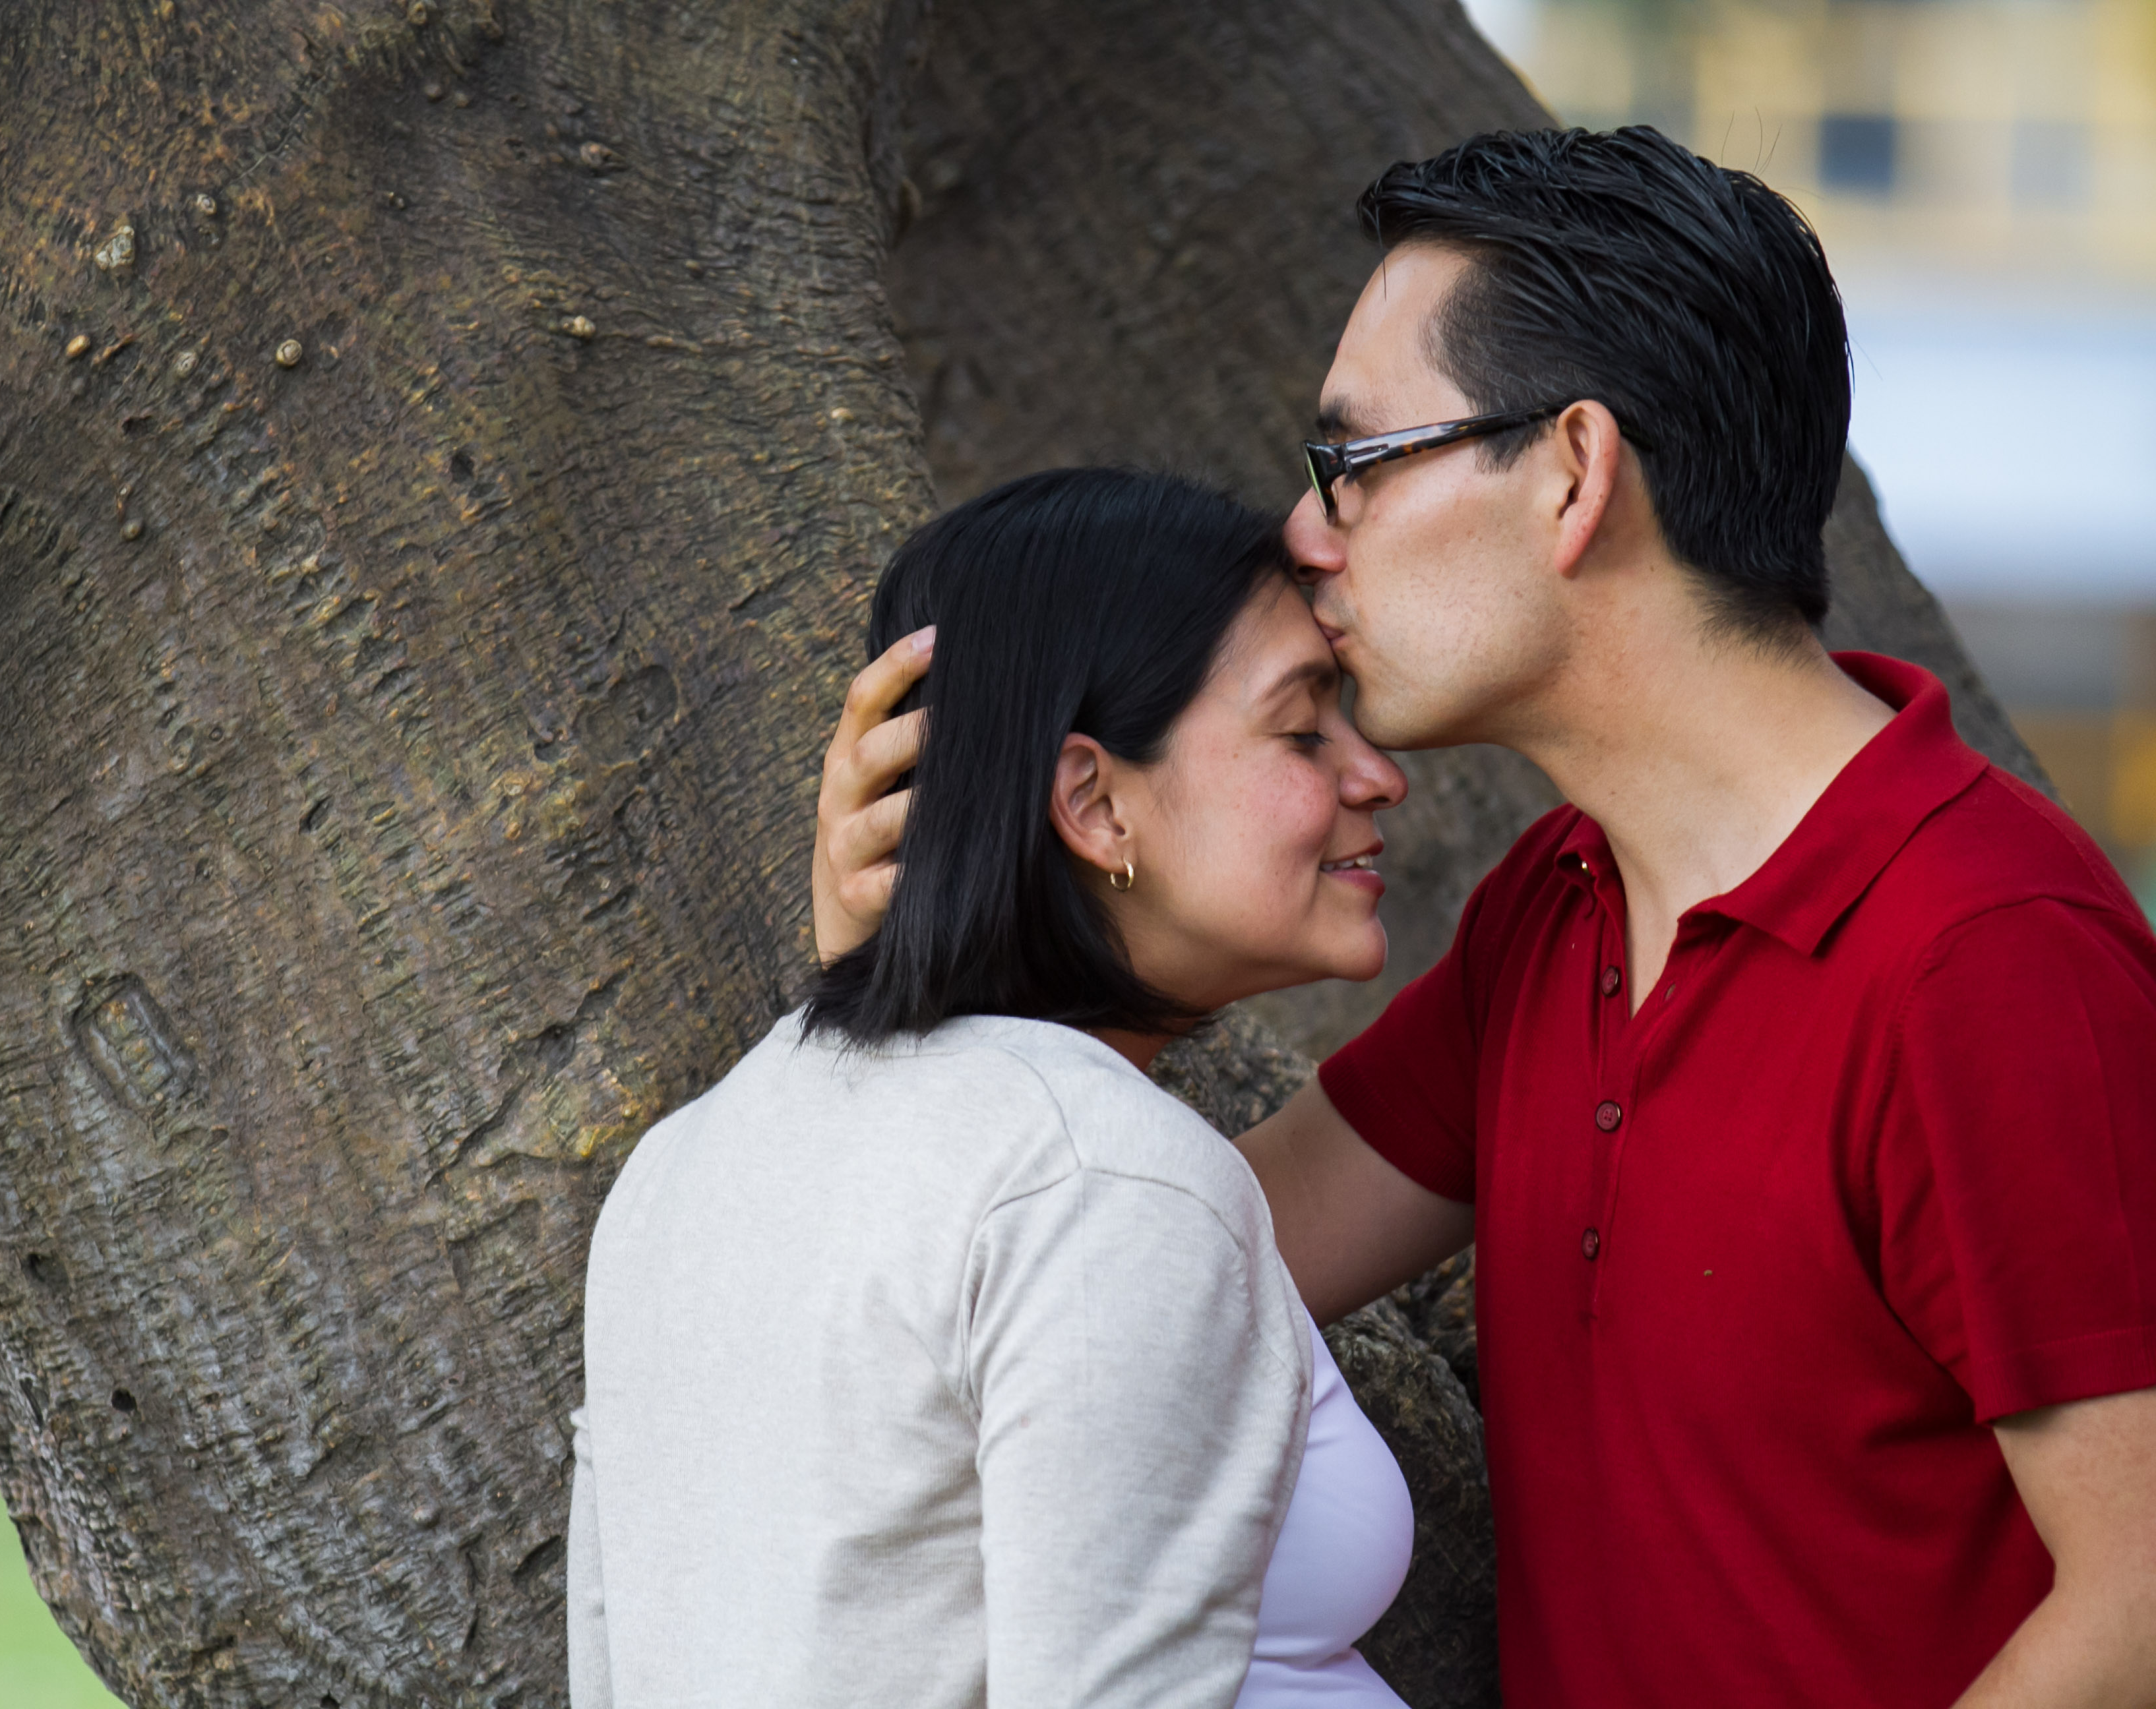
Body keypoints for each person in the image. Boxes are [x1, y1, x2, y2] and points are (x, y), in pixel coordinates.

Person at [813, 129, 2156, 1708]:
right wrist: (908, 956)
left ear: (1575, 473)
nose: (1307, 533)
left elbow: (2137, 1595)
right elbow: (1154, 1264)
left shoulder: (1989, 955)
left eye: (1359, 462)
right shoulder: (1557, 910)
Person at [570, 468, 1425, 1708]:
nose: (1378, 775)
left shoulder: (675, 1178)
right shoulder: (1098, 1175)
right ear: (1094, 801)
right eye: (1303, 729)